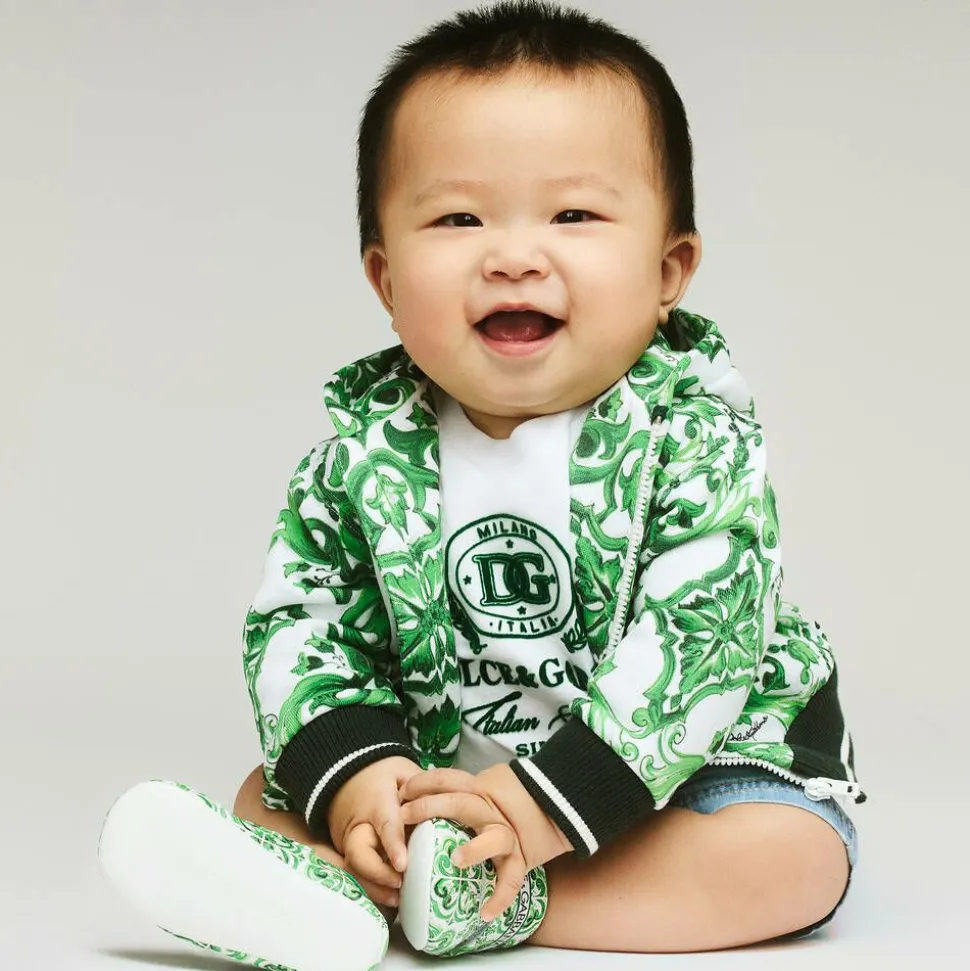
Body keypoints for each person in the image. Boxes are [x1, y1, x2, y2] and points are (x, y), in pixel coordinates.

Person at [98, 2, 864, 966]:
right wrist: (361, 778)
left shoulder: (696, 437)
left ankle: (504, 900)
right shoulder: (358, 459)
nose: (511, 255)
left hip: (675, 771)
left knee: (792, 856)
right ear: (385, 277)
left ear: (670, 268)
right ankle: (375, 877)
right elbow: (303, 625)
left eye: (573, 215)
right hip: (442, 776)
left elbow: (700, 638)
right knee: (275, 786)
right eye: (458, 218)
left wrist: (546, 805)